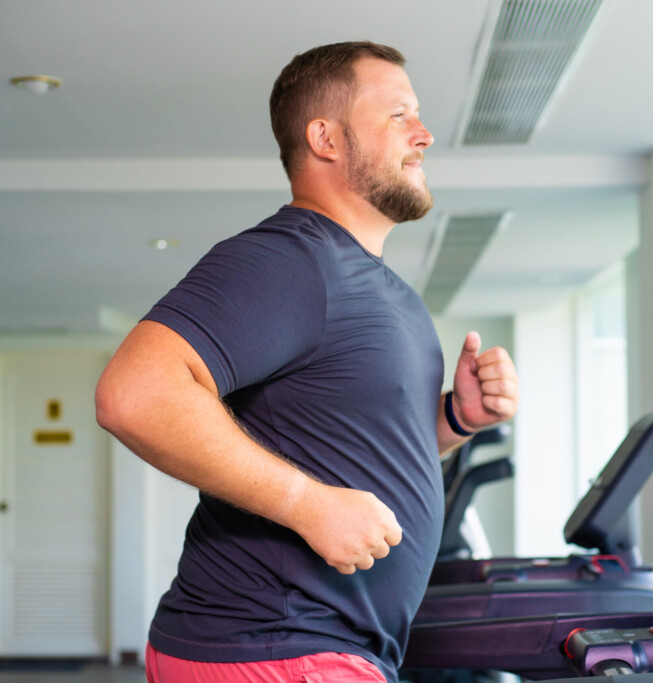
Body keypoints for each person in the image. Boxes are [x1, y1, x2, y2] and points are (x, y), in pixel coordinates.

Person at [95, 41, 519, 683]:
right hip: (275, 644)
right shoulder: (291, 258)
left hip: (320, 645)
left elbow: (361, 456)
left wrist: (456, 420)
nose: (425, 135)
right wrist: (306, 504)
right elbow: (134, 393)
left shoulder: (380, 288)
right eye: (399, 115)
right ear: (325, 137)